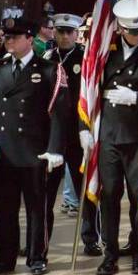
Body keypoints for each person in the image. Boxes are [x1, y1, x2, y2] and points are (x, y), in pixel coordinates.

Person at [0, 19, 68, 275]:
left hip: (35, 150)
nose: (9, 41)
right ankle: (5, 258)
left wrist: (55, 148)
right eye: (7, 37)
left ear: (30, 39)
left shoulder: (50, 69)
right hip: (4, 151)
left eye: (15, 37)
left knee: (37, 210)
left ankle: (37, 256)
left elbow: (59, 112)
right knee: (5, 210)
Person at [83, 0, 138, 275]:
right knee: (110, 197)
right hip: (110, 135)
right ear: (119, 28)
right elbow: (90, 87)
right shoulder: (106, 51)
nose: (136, 36)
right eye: (131, 31)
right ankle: (110, 254)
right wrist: (85, 127)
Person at [43, 13, 100, 257]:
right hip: (52, 137)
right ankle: (40, 242)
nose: (65, 36)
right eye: (61, 31)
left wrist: (86, 130)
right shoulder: (46, 59)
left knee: (86, 191)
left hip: (78, 136)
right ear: (54, 33)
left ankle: (91, 239)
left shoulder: (85, 60)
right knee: (45, 194)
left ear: (77, 34)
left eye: (69, 32)